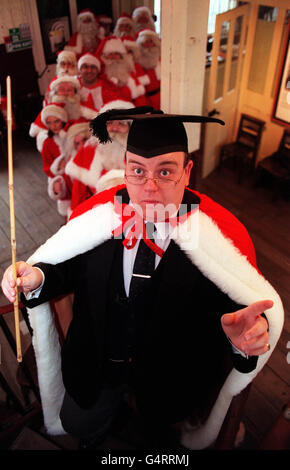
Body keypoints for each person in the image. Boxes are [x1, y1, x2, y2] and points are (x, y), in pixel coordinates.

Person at [1, 108, 283, 450]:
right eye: (138, 171)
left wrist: (246, 341)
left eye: (165, 171)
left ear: (187, 172)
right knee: (79, 423)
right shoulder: (99, 218)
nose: (149, 187)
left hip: (166, 379)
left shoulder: (216, 239)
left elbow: (243, 312)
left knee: (156, 437)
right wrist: (38, 275)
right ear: (125, 170)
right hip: (98, 364)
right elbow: (66, 266)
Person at [66, 100, 133, 212]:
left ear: (130, 126)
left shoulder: (140, 152)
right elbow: (79, 192)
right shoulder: (88, 149)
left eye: (121, 123)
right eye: (110, 123)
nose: (114, 128)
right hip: (97, 210)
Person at [97, 36, 147, 107]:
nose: (113, 56)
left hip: (130, 111)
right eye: (110, 54)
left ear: (122, 56)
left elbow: (140, 97)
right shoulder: (101, 75)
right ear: (105, 57)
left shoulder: (130, 74)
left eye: (116, 54)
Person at [136, 29, 161, 109]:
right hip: (143, 101)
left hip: (162, 98)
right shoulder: (136, 63)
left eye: (150, 42)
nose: (148, 45)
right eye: (145, 42)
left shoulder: (162, 60)